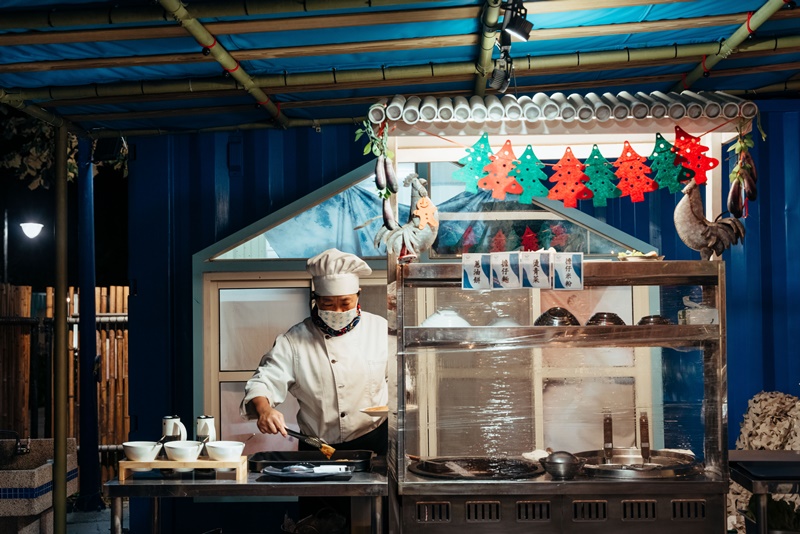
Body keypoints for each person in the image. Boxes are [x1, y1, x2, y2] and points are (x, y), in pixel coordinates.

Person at [241, 247, 389, 455]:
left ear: (358, 296)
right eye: (328, 304)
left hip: (375, 441)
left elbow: (404, 380)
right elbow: (263, 382)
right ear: (316, 300)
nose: (337, 311)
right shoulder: (294, 341)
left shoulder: (381, 330)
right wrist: (264, 410)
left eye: (345, 303)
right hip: (317, 446)